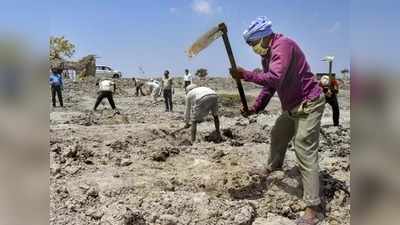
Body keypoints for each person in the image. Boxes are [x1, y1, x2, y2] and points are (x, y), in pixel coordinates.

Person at [230, 17, 325, 225]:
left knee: (304, 149)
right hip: (292, 106)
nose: (252, 47)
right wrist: (255, 108)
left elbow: (274, 78)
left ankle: (313, 208)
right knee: (278, 133)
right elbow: (270, 87)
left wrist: (245, 74)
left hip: (309, 103)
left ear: (263, 37)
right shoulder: (267, 56)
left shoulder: (283, 45)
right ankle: (273, 166)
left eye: (252, 43)